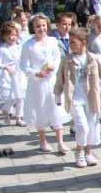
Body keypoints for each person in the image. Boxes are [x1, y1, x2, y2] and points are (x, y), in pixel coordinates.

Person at [55, 27, 101, 168]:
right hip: (75, 99)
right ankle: (79, 152)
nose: (70, 45)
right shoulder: (67, 60)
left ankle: (88, 152)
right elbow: (60, 79)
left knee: (92, 125)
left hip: (91, 98)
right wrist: (57, 95)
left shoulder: (94, 59)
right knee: (82, 126)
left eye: (73, 42)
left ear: (84, 43)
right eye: (70, 42)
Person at [20, 13, 70, 154]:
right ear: (33, 27)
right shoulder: (28, 45)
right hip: (37, 84)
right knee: (40, 109)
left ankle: (60, 143)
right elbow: (23, 65)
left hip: (52, 81)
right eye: (37, 26)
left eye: (43, 25)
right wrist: (36, 73)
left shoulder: (53, 41)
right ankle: (43, 141)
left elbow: (57, 56)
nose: (41, 28)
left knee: (56, 110)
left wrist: (52, 67)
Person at [0, 21, 27, 126]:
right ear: (4, 36)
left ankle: (19, 117)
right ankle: (5, 110)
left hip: (19, 74)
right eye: (9, 35)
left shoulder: (19, 46)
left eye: (14, 35)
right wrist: (6, 67)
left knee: (21, 96)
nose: (12, 37)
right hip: (8, 76)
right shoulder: (2, 49)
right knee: (12, 97)